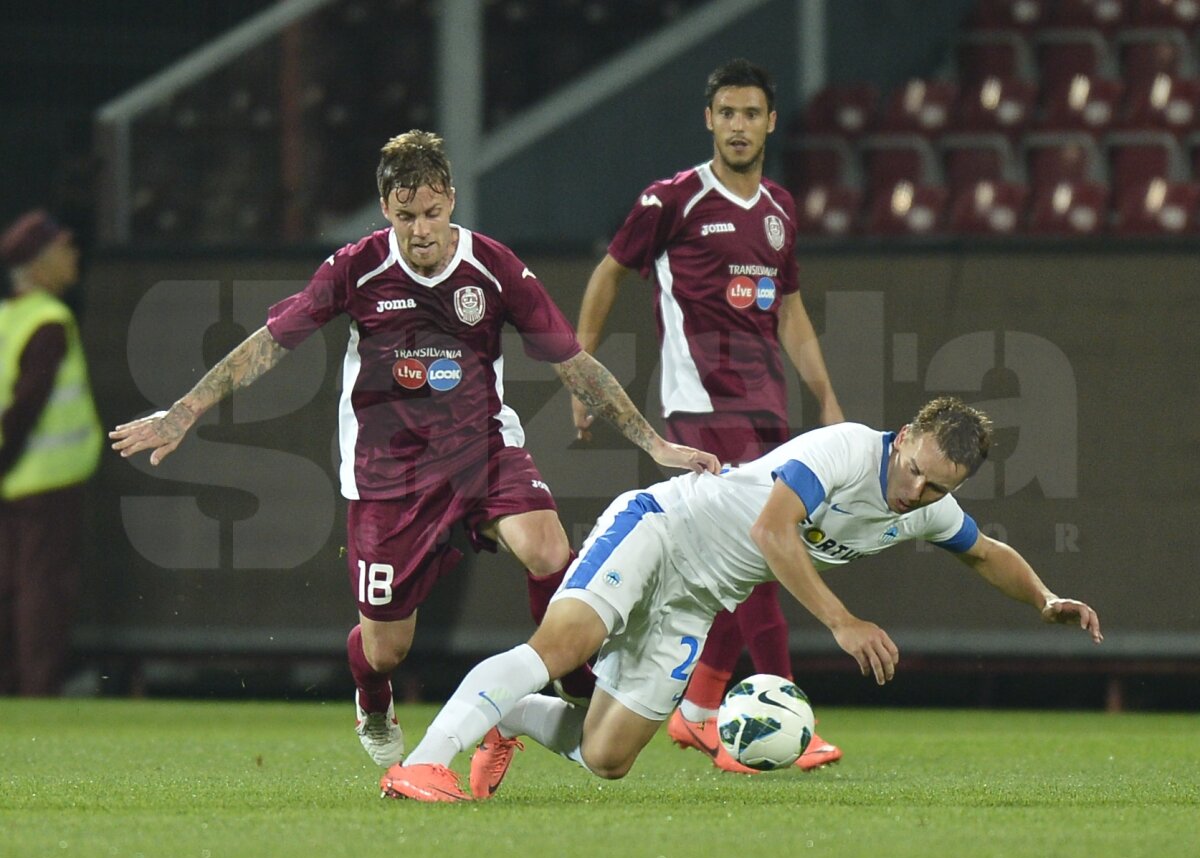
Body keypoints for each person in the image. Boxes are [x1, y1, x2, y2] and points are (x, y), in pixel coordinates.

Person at [110, 131, 718, 765]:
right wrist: (185, 411)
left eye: (431, 212)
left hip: (482, 450)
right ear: (385, 209)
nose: (421, 230)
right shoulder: (357, 268)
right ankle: (373, 698)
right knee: (385, 649)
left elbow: (573, 362)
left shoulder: (494, 268)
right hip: (389, 474)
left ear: (451, 199)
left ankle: (571, 679)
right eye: (406, 216)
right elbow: (270, 343)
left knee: (547, 547)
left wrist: (653, 442)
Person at [381, 396, 1103, 802]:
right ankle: (423, 763)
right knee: (562, 647)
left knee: (606, 758)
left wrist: (1044, 598)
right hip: (661, 529)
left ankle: (507, 714)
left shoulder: (925, 509)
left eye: (938, 487)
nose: (917, 492)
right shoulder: (847, 450)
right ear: (905, 436)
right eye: (916, 470)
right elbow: (772, 530)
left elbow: (984, 551)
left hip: (695, 600)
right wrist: (843, 621)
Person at [572, 58, 845, 773]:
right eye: (727, 113)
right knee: (764, 549)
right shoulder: (673, 200)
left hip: (766, 411)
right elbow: (608, 272)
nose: (739, 126)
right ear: (709, 120)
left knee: (742, 569)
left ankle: (698, 712)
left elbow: (790, 311)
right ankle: (788, 711)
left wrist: (825, 396)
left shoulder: (780, 209)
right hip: (699, 410)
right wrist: (582, 370)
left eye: (751, 113)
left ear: (771, 122)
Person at [0, 210, 103, 695]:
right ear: (39, 263)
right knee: (42, 589)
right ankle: (38, 690)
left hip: (13, 481)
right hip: (43, 479)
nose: (73, 255)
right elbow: (25, 408)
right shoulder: (49, 322)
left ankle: (12, 687)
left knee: (10, 585)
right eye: (64, 247)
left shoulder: (7, 318)